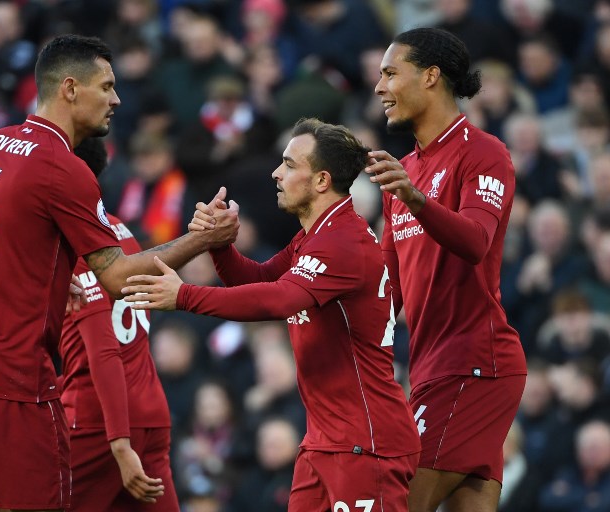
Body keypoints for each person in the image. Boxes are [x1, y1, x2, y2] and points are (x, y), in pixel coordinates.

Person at [0, 35, 238, 512]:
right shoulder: (63, 168)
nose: (116, 100)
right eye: (107, 86)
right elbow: (116, 279)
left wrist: (33, 259)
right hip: (13, 375)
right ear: (70, 88)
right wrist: (202, 239)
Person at [122, 118, 421, 511]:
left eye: (290, 164)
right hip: (325, 443)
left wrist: (184, 295)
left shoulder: (343, 242)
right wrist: (220, 244)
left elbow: (278, 300)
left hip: (366, 442)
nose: (276, 173)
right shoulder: (317, 235)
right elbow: (258, 278)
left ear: (320, 181)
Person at [365, 27, 527, 512]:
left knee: (393, 502)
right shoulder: (405, 170)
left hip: (475, 365)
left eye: (391, 73)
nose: (379, 87)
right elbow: (387, 287)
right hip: (432, 367)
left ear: (431, 76)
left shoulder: (484, 152)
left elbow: (475, 241)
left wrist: (414, 201)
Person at [58, 136, 179, 511]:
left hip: (100, 425)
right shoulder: (121, 231)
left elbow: (103, 349)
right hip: (150, 414)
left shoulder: (76, 242)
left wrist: (119, 444)